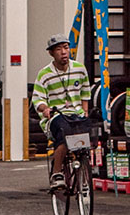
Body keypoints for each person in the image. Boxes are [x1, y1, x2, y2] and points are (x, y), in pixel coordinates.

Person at [34, 33, 91, 189]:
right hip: (56, 116)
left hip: (76, 114)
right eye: (59, 49)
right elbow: (37, 99)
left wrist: (85, 111)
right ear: (51, 53)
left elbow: (85, 92)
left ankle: (84, 164)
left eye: (66, 47)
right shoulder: (44, 74)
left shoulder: (79, 69)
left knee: (89, 133)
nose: (64, 52)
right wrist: (45, 109)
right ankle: (57, 172)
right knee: (65, 137)